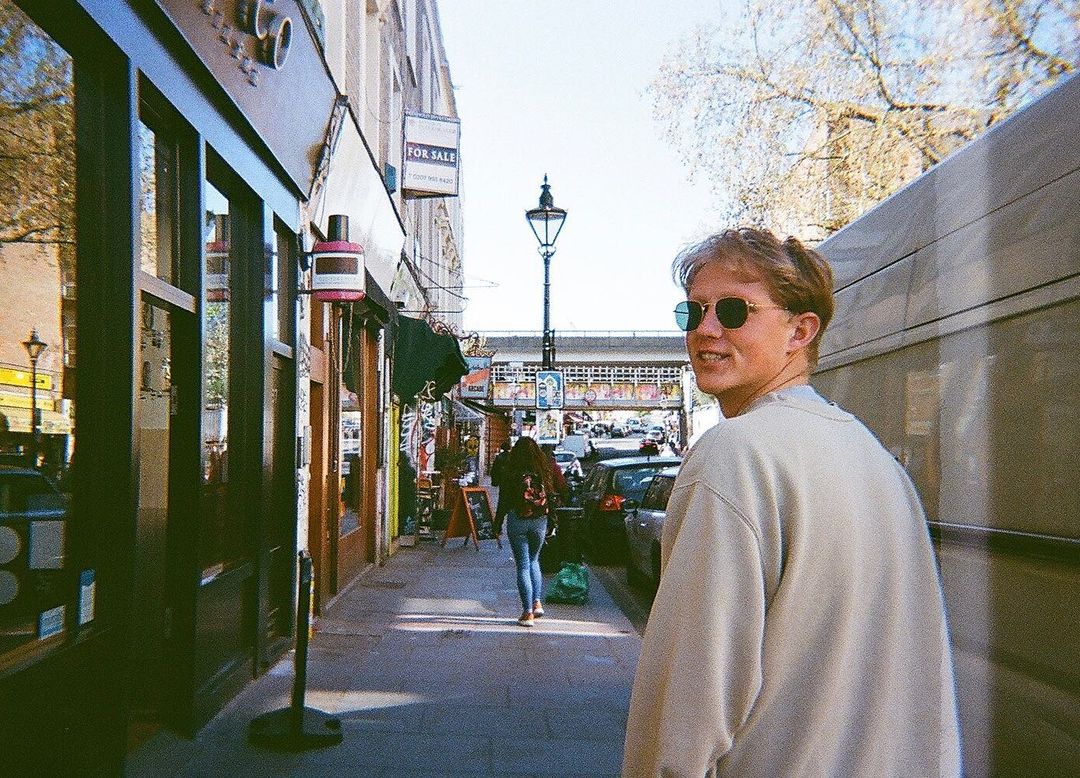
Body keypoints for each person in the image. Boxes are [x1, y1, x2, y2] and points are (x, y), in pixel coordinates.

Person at [622, 228, 960, 777]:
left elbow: (690, 702)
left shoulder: (735, 454)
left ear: (800, 331)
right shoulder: (876, 460)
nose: (706, 329)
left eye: (734, 311)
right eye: (694, 311)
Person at [494, 436, 559, 627]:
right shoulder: (543, 471)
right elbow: (552, 497)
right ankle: (537, 602)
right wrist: (552, 521)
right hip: (539, 521)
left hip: (517, 520)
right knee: (534, 560)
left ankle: (527, 612)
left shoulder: (511, 472)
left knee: (522, 566)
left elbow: (503, 501)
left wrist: (497, 524)